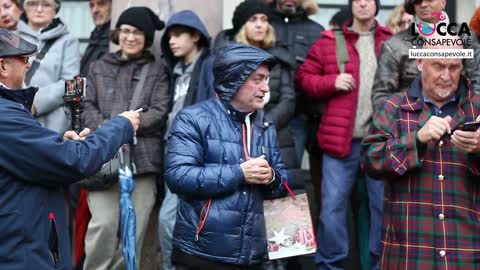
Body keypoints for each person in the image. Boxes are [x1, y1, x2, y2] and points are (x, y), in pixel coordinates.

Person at [0, 28, 140, 270]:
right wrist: (121, 126)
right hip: (20, 255)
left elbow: (34, 157)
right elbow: (74, 160)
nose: (28, 64)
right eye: (23, 59)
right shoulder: (5, 115)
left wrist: (60, 145)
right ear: (2, 66)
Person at [165, 43, 289, 269]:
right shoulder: (193, 119)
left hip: (254, 257)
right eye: (257, 79)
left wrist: (272, 177)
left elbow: (283, 184)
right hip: (202, 255)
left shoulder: (265, 124)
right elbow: (178, 176)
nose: (265, 88)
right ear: (235, 79)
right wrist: (239, 173)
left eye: (267, 79)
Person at [362, 33, 480, 269]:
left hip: (467, 248)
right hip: (409, 250)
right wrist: (415, 139)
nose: (446, 76)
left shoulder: (476, 107)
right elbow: (370, 161)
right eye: (438, 65)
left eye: (454, 67)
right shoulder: (394, 107)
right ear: (419, 62)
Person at [295, 0, 392, 269]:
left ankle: (379, 265)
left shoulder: (390, 41)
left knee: (381, 208)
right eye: (357, 0)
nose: (362, 3)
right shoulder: (329, 41)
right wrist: (330, 82)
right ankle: (330, 265)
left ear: (376, 6)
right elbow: (303, 78)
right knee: (332, 209)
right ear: (351, 6)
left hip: (381, 141)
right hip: (340, 143)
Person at [81, 7, 170, 270]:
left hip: (142, 163)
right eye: (126, 31)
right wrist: (110, 130)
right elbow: (87, 106)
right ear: (118, 33)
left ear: (147, 38)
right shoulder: (98, 66)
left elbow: (159, 111)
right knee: (103, 226)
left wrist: (126, 127)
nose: (131, 37)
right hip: (103, 159)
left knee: (135, 232)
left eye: (138, 33)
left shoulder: (157, 69)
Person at [158, 9, 214, 270]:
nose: (171, 41)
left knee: (170, 220)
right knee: (176, 222)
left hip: (198, 154)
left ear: (196, 36)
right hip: (172, 151)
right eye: (169, 36)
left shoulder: (209, 66)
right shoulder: (173, 69)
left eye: (178, 35)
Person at [372, 0, 480, 108]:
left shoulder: (465, 37)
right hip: (411, 119)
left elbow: (477, 83)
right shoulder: (394, 46)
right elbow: (381, 98)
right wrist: (412, 121)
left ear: (443, 2)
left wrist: (469, 118)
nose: (423, 5)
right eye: (417, 1)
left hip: (460, 118)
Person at [268, 0, 324, 165]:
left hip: (299, 115)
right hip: (263, 112)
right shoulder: (262, 23)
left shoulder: (316, 31)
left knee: (288, 170)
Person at [17, 0, 81, 134]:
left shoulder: (69, 41)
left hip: (53, 124)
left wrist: (35, 102)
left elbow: (73, 84)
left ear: (56, 9)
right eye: (33, 3)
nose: (39, 9)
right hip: (14, 117)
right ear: (24, 7)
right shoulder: (11, 38)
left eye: (46, 4)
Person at [80, 0, 111, 77]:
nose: (95, 10)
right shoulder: (96, 35)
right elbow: (81, 73)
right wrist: (74, 89)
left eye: (101, 4)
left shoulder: (115, 39)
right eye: (91, 5)